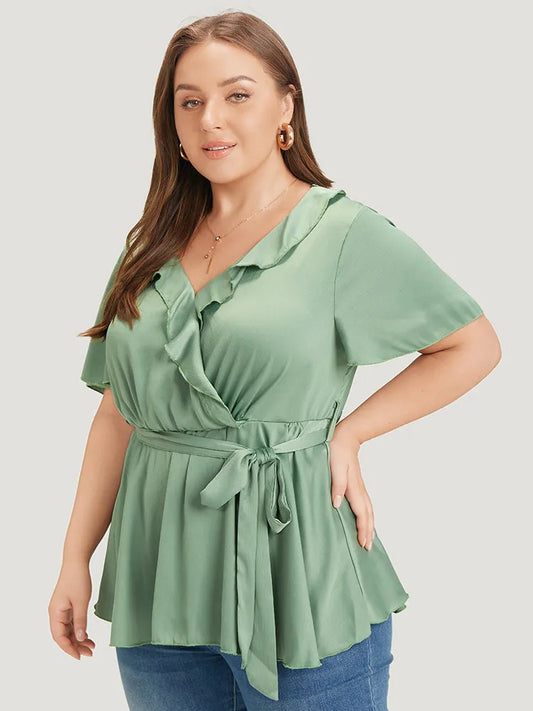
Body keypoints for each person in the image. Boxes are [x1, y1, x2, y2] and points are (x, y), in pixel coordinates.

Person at [48, 10, 501, 710]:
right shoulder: (148, 246)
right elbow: (118, 414)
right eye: (189, 101)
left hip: (299, 586)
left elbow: (471, 344)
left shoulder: (342, 233)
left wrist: (350, 432)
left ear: (286, 105)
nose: (211, 119)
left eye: (237, 94)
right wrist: (75, 557)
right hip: (158, 587)